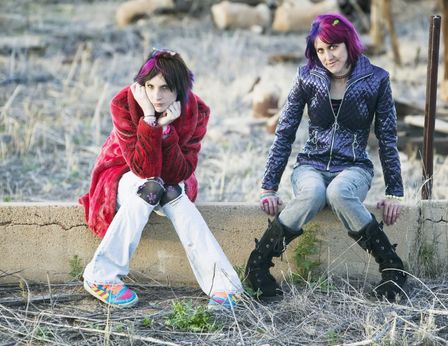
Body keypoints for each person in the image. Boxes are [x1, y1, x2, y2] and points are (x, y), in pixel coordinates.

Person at [245, 14, 407, 301]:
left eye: (333, 47)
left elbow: (387, 138)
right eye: (320, 50)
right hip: (311, 164)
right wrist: (268, 186)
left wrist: (395, 191)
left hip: (355, 166)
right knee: (314, 193)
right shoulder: (307, 77)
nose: (327, 56)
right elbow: (285, 133)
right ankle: (257, 267)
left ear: (348, 43)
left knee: (339, 193)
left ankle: (393, 269)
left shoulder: (377, 80)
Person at [79, 49, 243, 309]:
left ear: (179, 89)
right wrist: (148, 120)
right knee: (149, 187)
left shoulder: (196, 111)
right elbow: (143, 168)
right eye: (150, 86)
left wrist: (166, 131)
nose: (156, 95)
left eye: (165, 88)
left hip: (170, 177)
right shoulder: (124, 103)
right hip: (122, 174)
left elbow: (180, 172)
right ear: (141, 86)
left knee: (171, 193)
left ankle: (224, 286)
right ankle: (101, 276)